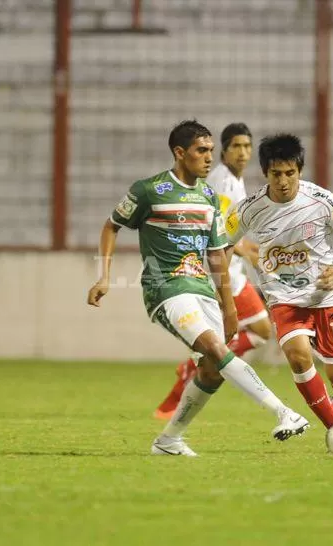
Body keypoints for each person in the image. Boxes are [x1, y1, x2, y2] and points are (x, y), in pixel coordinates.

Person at [87, 120, 310, 457]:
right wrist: (103, 276)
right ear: (180, 153)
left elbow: (217, 254)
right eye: (201, 151)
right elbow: (111, 225)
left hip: (202, 288)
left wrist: (229, 305)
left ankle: (169, 440)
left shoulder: (207, 195)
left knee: (212, 369)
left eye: (209, 150)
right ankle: (284, 413)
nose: (209, 157)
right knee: (217, 351)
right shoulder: (149, 191)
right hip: (166, 289)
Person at [225, 133, 333, 430]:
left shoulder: (322, 200)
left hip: (328, 296)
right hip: (284, 298)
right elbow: (222, 243)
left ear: (300, 171)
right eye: (276, 174)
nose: (284, 181)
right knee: (299, 358)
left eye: (290, 173)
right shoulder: (250, 209)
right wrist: (221, 292)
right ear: (266, 174)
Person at [153, 122, 274, 420]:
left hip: (233, 273)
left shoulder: (234, 180)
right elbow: (215, 231)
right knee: (259, 331)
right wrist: (249, 253)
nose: (243, 153)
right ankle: (191, 373)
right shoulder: (221, 183)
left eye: (247, 146)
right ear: (224, 150)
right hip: (223, 276)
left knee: (247, 334)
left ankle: (192, 372)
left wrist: (255, 252)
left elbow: (231, 228)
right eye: (237, 146)